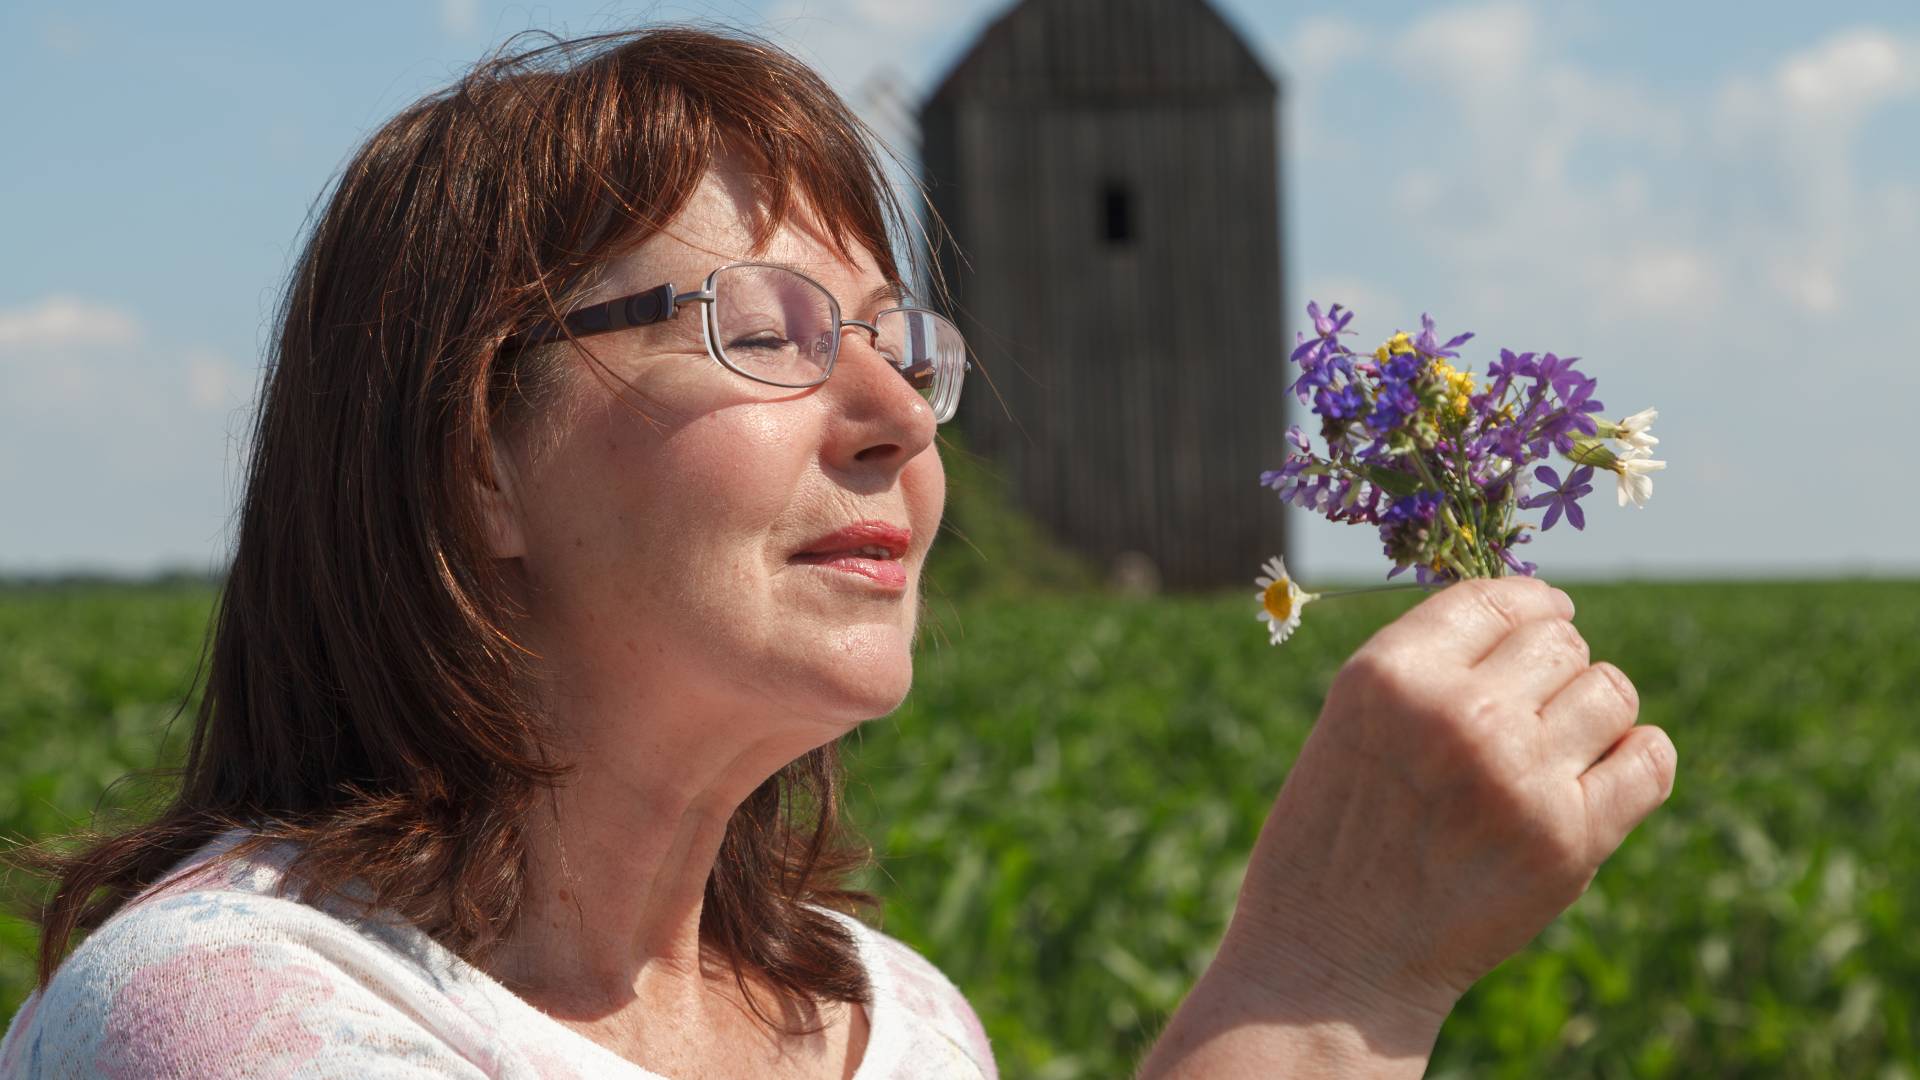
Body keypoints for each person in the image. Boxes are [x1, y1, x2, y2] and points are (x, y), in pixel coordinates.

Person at [0, 25, 1675, 1080]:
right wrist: (1319, 986)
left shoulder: (903, 1025)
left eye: (901, 340)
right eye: (771, 331)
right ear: (476, 463)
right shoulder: (224, 1018)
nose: (899, 413)